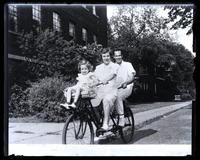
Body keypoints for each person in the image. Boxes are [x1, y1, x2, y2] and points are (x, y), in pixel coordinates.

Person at [91, 49, 119, 131]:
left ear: (110, 57)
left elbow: (113, 74)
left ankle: (105, 124)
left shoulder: (115, 66)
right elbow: (94, 77)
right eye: (104, 56)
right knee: (91, 102)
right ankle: (98, 124)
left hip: (111, 91)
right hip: (100, 91)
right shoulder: (98, 67)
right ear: (102, 57)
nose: (106, 58)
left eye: (107, 56)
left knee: (106, 100)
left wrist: (105, 80)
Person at [114, 50, 136, 126]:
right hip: (116, 89)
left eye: (119, 55)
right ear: (114, 57)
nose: (118, 57)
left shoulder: (128, 65)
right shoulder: (113, 66)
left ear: (122, 56)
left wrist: (126, 82)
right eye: (116, 56)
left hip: (127, 87)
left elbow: (131, 77)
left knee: (118, 97)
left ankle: (121, 119)